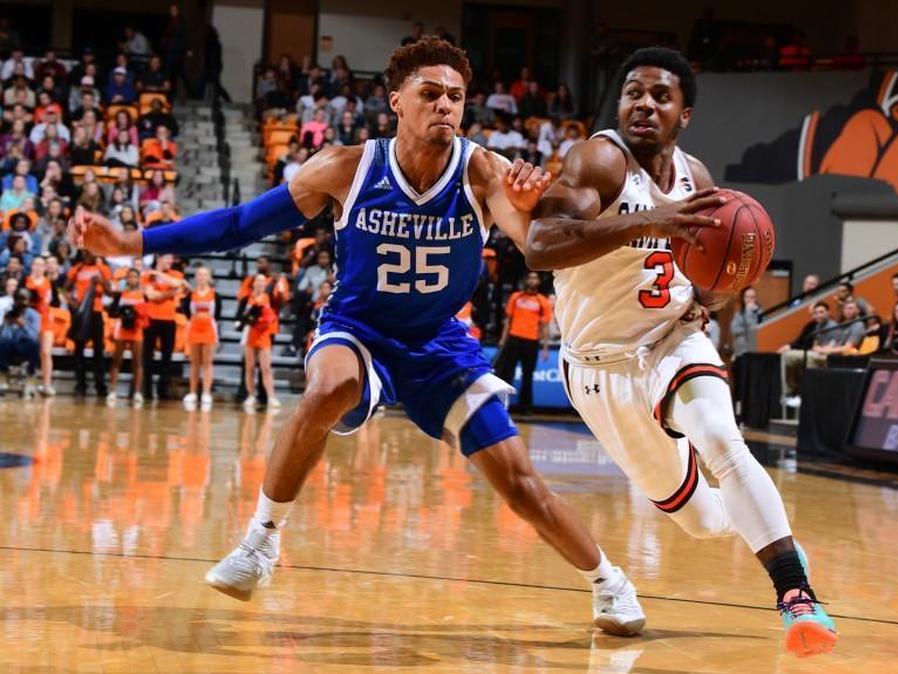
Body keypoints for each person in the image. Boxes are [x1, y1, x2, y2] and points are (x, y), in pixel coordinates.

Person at [69, 37, 645, 636]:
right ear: (397, 100)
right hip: (359, 330)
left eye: (456, 96)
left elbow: (535, 251)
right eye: (430, 94)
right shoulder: (347, 167)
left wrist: (526, 211)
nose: (445, 105)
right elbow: (241, 224)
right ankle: (261, 541)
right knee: (328, 387)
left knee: (521, 484)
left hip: (439, 345)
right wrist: (134, 245)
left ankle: (609, 582)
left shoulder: (483, 172)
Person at [524, 46, 837, 656]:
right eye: (633, 93)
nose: (644, 104)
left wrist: (713, 293)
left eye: (660, 96)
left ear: (684, 113)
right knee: (697, 521)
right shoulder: (600, 160)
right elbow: (541, 245)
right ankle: (764, 528)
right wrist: (654, 224)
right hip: (597, 367)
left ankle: (796, 594)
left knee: (721, 438)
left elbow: (714, 280)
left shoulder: (697, 175)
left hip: (670, 337)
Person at [494, 271, 552, 412]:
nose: (532, 280)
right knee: (507, 373)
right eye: (530, 278)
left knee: (528, 375)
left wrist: (545, 348)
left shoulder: (542, 301)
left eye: (535, 278)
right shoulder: (516, 297)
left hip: (531, 341)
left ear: (538, 282)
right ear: (526, 281)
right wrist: (503, 340)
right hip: (513, 339)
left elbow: (544, 326)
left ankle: (525, 407)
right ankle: (502, 405)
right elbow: (508, 321)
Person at [66, 251, 111, 395]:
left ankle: (100, 384)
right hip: (80, 312)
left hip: (96, 312)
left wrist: (102, 282)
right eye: (84, 253)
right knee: (79, 349)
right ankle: (81, 384)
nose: (87, 255)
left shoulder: (103, 268)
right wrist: (71, 302)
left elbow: (111, 292)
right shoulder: (77, 268)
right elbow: (63, 288)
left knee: (98, 348)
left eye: (90, 252)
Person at [142, 254, 186, 399]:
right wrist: (171, 293)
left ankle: (162, 390)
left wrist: (159, 273)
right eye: (168, 258)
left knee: (167, 357)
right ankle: (146, 390)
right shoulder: (147, 275)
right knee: (147, 356)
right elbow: (151, 296)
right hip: (151, 318)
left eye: (172, 259)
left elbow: (178, 284)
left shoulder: (176, 273)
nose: (171, 261)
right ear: (159, 258)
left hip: (169, 320)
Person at [106, 269, 148, 406]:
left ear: (139, 279)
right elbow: (113, 309)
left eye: (135, 277)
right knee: (117, 359)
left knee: (137, 361)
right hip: (122, 328)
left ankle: (137, 392)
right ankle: (112, 390)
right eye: (129, 277)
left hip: (136, 328)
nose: (132, 279)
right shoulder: (120, 292)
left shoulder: (144, 293)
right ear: (126, 279)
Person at [240, 273, 280, 411]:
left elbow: (274, 315)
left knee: (266, 368)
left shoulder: (270, 298)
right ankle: (251, 396)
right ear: (253, 284)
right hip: (250, 334)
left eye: (263, 281)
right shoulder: (247, 299)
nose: (260, 283)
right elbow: (240, 317)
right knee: (249, 368)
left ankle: (271, 397)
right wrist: (248, 318)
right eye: (258, 281)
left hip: (264, 334)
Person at [183, 266, 219, 411]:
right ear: (196, 277)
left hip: (209, 328)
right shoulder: (190, 295)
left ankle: (206, 393)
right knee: (194, 362)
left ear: (209, 278)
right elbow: (186, 311)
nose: (202, 277)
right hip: (194, 328)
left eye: (205, 274)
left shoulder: (215, 295)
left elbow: (218, 314)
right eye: (199, 274)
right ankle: (192, 392)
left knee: (207, 362)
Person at [24, 256, 57, 396]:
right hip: (29, 319)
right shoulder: (25, 281)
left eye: (41, 265)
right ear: (32, 266)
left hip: (45, 319)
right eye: (35, 264)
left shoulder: (50, 283)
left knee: (45, 352)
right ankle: (29, 381)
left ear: (45, 267)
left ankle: (46, 384)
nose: (38, 267)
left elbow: (54, 302)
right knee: (30, 351)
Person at [0, 288, 39, 395]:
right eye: (18, 299)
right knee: (2, 341)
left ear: (29, 301)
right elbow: (5, 336)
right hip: (11, 346)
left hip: (26, 345)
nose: (21, 302)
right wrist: (8, 323)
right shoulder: (9, 313)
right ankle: (3, 373)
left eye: (23, 299)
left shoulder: (34, 315)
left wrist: (23, 325)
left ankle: (30, 375)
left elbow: (33, 336)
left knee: (35, 344)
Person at [729, 286, 761, 358]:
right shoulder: (739, 314)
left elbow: (754, 330)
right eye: (747, 297)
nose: (749, 299)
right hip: (740, 352)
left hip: (755, 352)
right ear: (743, 299)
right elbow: (734, 330)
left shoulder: (760, 313)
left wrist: (748, 312)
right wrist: (747, 330)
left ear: (755, 298)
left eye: (752, 297)